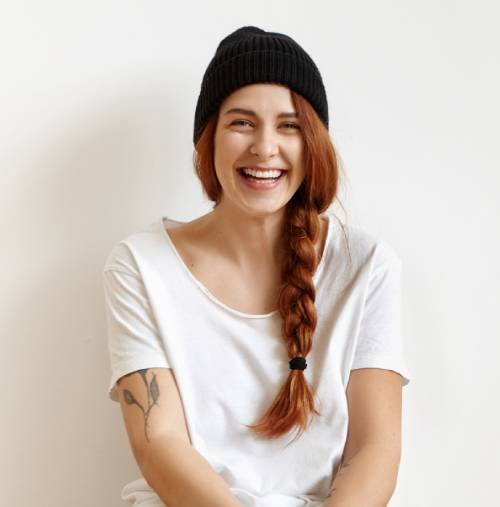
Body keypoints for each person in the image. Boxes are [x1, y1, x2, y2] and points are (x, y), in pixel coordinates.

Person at [102, 25, 411, 507]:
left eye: (289, 126)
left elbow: (375, 451)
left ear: (314, 142)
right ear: (208, 140)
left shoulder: (367, 266)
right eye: (242, 123)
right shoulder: (140, 266)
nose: (265, 147)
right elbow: (159, 445)